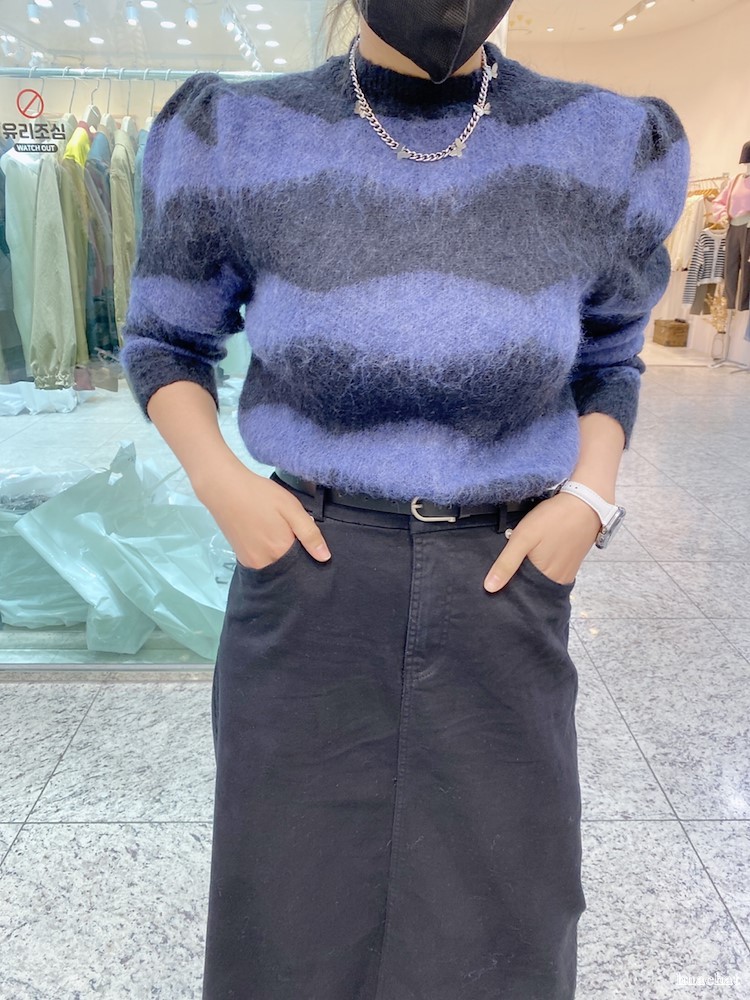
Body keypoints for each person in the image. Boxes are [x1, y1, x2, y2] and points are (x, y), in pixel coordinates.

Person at [119, 0, 691, 996]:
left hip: (502, 579)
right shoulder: (237, 132)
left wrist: (588, 500)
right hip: (311, 574)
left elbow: (610, 356)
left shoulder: (602, 143)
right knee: (291, 917)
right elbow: (165, 339)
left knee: (506, 918)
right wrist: (224, 486)